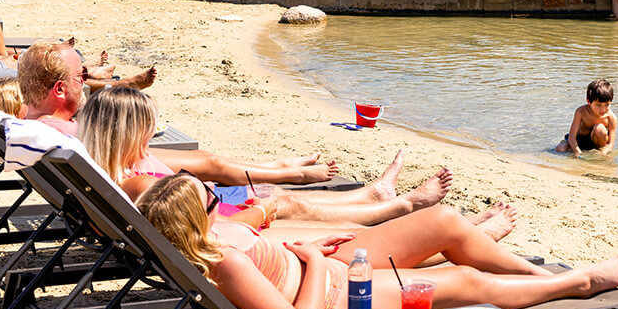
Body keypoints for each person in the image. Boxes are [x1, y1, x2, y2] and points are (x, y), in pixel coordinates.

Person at [138, 172, 618, 309]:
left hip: (327, 266)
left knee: (440, 221)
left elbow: (251, 222)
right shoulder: (225, 265)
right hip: (330, 299)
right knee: (460, 279)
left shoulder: (217, 231)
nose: (217, 200)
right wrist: (312, 261)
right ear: (195, 222)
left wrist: (285, 215)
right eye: (210, 199)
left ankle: (530, 272)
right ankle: (574, 283)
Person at [76, 83, 468, 231]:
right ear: (125, 134)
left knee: (278, 196)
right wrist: (264, 209)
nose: (151, 134)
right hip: (222, 233)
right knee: (284, 202)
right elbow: (205, 228)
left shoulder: (107, 170)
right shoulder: (139, 183)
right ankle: (399, 206)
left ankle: (375, 195)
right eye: (147, 127)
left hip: (209, 218)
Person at [555, 79, 617, 157]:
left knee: (599, 128)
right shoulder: (581, 112)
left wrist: (603, 153)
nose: (603, 109)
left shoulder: (611, 118)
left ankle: (597, 152)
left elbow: (610, 144)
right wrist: (576, 150)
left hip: (596, 144)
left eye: (607, 105)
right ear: (588, 101)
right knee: (560, 149)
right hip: (578, 140)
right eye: (598, 105)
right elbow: (572, 136)